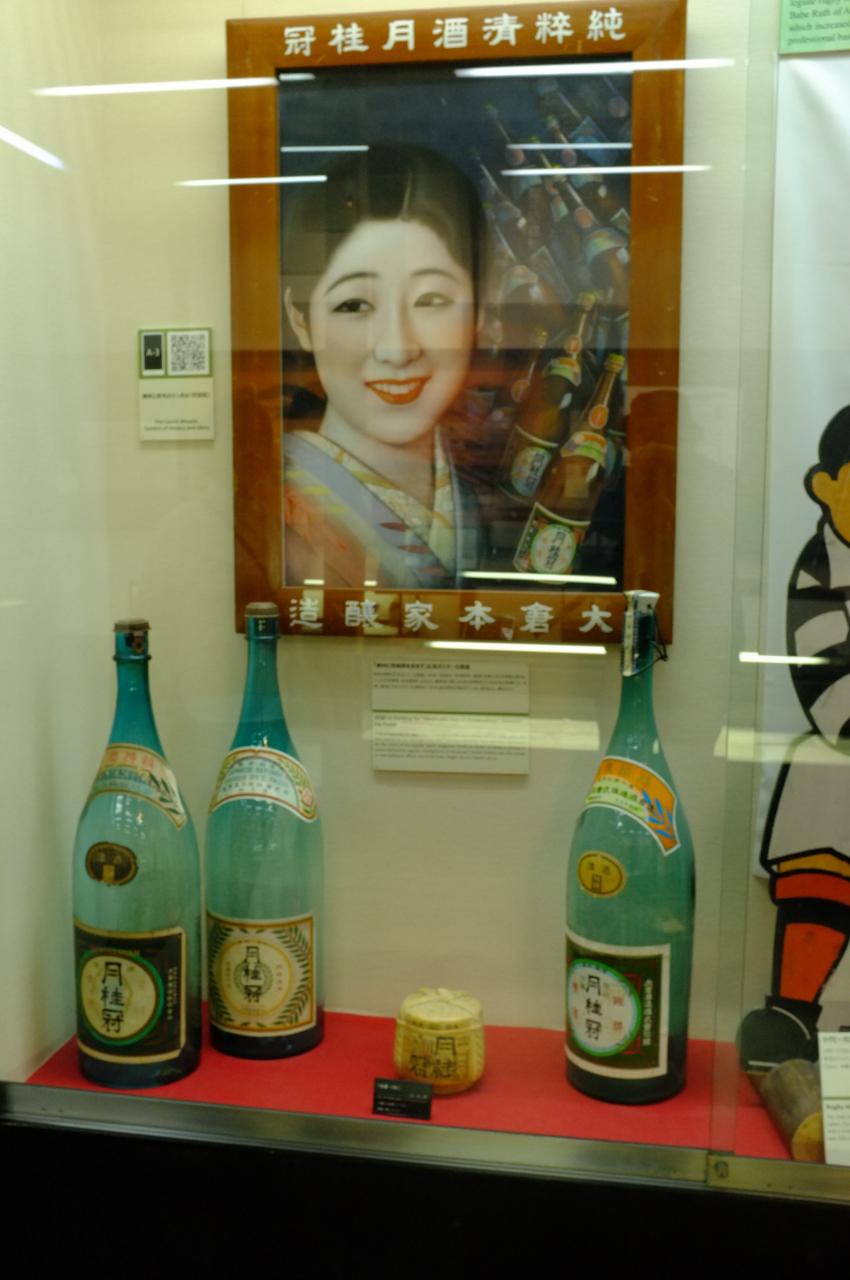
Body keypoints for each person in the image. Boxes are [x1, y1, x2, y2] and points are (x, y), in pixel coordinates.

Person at [281, 143, 489, 589]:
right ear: (300, 319)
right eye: (354, 305)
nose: (397, 349)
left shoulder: (489, 498)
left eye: (431, 300)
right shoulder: (263, 510)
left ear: (480, 313)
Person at [739, 405, 850, 1072]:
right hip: (843, 744)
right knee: (821, 797)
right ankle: (795, 1009)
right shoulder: (819, 570)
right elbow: (823, 675)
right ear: (825, 488)